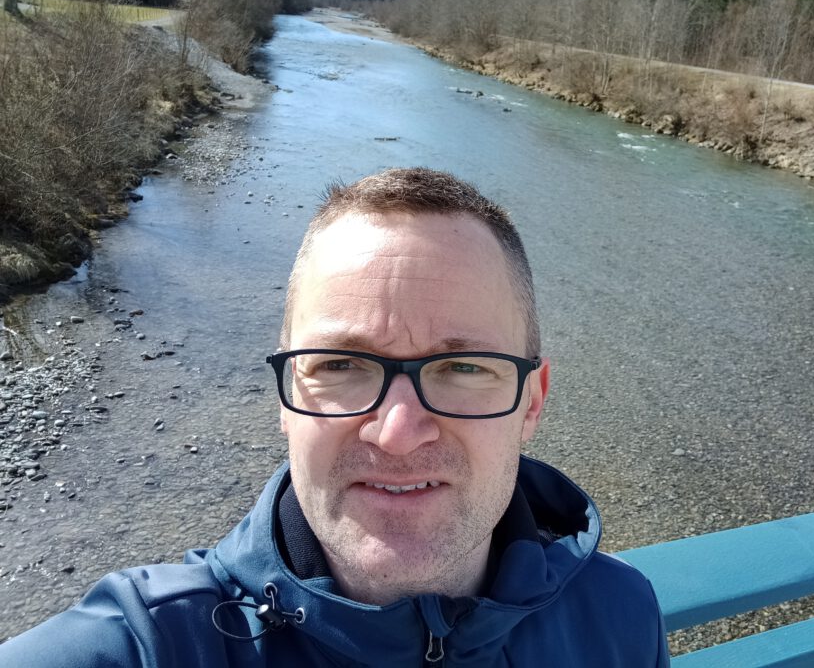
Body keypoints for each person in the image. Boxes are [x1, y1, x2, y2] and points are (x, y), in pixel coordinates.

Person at [0, 167, 669, 666]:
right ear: (286, 395)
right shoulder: (156, 644)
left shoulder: (620, 617)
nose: (397, 431)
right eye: (343, 364)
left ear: (532, 401)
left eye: (464, 367)